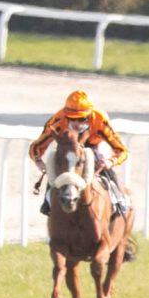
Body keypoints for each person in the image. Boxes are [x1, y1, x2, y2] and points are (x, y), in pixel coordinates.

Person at [29, 88, 130, 216]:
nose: (76, 123)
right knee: (56, 165)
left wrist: (110, 162)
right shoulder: (58, 121)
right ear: (65, 115)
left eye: (81, 119)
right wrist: (39, 162)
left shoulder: (99, 119)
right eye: (71, 119)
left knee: (104, 165)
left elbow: (122, 151)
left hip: (94, 146)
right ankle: (48, 203)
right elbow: (36, 147)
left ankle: (118, 201)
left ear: (89, 115)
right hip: (67, 147)